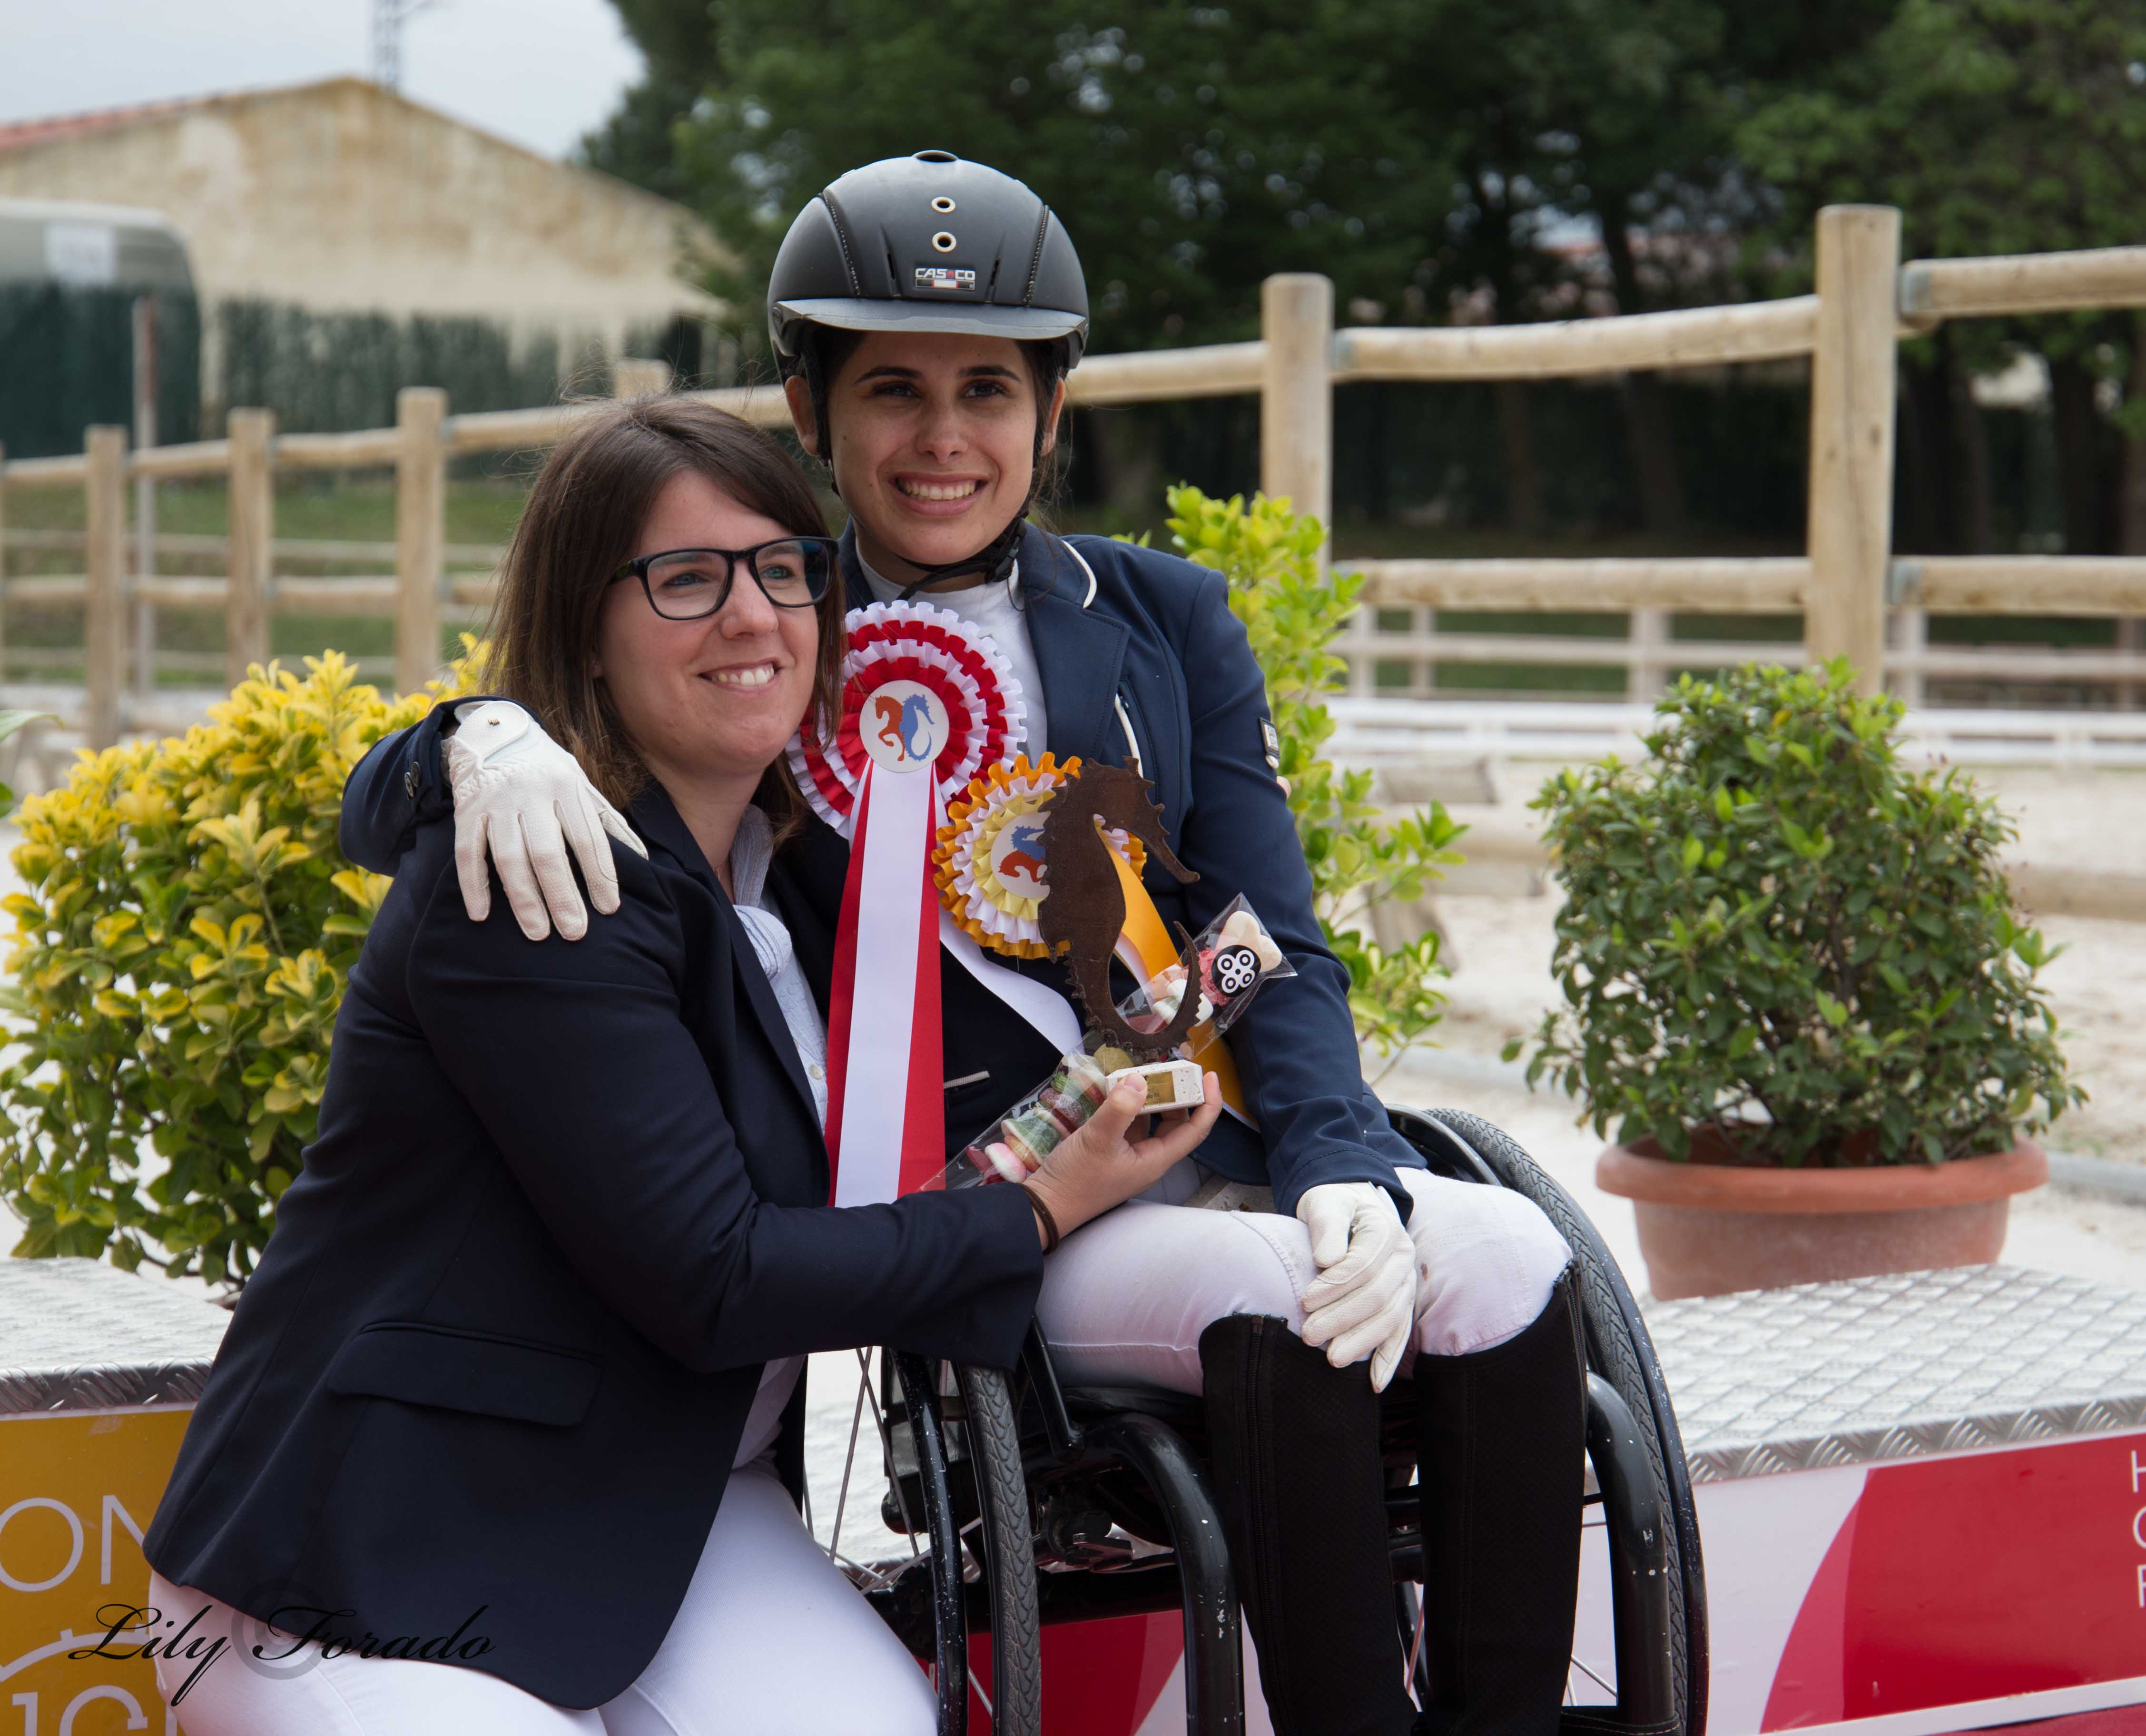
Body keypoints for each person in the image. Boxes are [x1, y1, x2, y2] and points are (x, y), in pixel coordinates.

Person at [342, 152, 1586, 1736]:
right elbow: (524, 729)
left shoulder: (1166, 620)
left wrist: (1338, 1151)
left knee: (1510, 1256)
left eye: (989, 390)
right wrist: (475, 739)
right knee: (1279, 1301)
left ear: (1051, 413)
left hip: (1217, 1127)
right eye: (894, 392)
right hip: (985, 1204)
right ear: (813, 409)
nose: (945, 439)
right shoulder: (764, 624)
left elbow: (1259, 930)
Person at [139, 397, 1222, 1734]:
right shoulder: (532, 873)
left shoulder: (806, 875)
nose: (754, 616)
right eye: (686, 579)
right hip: (379, 1534)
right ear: (585, 630)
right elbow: (717, 1279)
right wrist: (1040, 1209)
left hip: (674, 1498)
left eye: (785, 569)